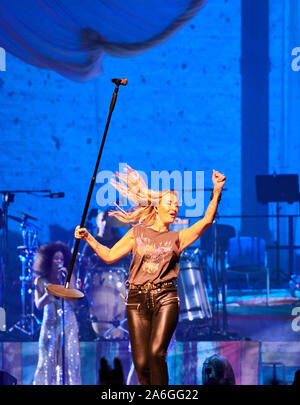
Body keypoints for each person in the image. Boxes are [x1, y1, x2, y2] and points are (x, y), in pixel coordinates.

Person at [75, 165, 226, 385]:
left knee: (157, 353)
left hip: (166, 298)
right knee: (142, 363)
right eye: (170, 203)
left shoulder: (179, 237)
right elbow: (108, 256)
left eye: (177, 205)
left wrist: (217, 190)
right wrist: (88, 237)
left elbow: (206, 221)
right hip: (136, 301)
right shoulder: (137, 232)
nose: (175, 208)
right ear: (156, 207)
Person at [32, 241, 81, 385]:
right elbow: (38, 305)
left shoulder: (68, 277)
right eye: (56, 258)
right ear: (48, 260)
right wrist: (48, 294)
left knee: (69, 360)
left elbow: (76, 302)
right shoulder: (40, 281)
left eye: (61, 259)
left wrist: (65, 284)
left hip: (68, 323)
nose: (59, 262)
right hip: (49, 324)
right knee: (47, 361)